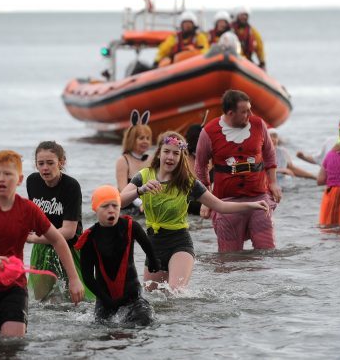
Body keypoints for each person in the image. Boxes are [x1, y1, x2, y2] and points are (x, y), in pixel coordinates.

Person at [0, 150, 84, 338]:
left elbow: (58, 239)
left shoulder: (28, 209)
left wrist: (74, 279)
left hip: (14, 285)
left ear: (19, 179)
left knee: (13, 343)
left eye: (8, 174)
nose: (1, 179)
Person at [120, 131, 269, 292]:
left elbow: (220, 206)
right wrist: (140, 190)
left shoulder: (188, 183)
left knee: (176, 293)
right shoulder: (144, 176)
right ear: (159, 153)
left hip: (179, 243)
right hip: (153, 245)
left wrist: (252, 204)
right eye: (167, 152)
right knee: (154, 299)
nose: (170, 157)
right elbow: (119, 201)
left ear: (182, 156)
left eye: (176, 153)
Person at [195, 89, 281, 252]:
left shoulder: (258, 125)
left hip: (259, 198)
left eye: (250, 109)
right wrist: (205, 200)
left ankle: (262, 279)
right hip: (225, 202)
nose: (250, 113)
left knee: (267, 251)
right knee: (229, 258)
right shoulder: (209, 132)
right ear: (230, 113)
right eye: (245, 111)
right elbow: (200, 166)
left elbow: (269, 154)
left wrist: (274, 183)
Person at [75, 185, 160, 326]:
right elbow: (88, 277)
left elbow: (148, 246)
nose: (111, 210)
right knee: (102, 328)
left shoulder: (130, 226)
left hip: (133, 296)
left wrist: (153, 261)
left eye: (115, 205)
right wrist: (107, 301)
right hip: (105, 298)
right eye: (105, 206)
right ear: (95, 209)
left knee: (144, 322)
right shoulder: (89, 238)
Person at [26, 141, 94, 301]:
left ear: (61, 162)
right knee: (43, 302)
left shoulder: (71, 186)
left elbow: (69, 232)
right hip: (42, 249)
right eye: (40, 163)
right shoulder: (32, 181)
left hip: (70, 249)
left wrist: (35, 238)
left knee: (79, 301)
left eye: (50, 163)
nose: (45, 168)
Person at [115, 110, 152, 216]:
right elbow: (123, 190)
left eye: (148, 138)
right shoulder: (123, 161)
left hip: (147, 203)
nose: (145, 141)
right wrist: (141, 203)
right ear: (131, 139)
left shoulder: (151, 159)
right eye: (141, 138)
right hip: (129, 206)